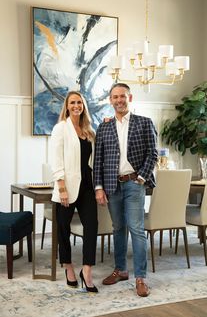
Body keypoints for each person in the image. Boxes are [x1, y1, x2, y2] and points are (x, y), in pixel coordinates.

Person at [94, 83, 158, 297]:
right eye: (115, 97)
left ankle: (140, 277)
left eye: (122, 96)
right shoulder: (104, 126)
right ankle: (120, 270)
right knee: (117, 228)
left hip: (134, 183)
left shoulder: (144, 123)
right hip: (112, 185)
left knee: (137, 230)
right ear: (110, 100)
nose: (119, 100)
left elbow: (153, 154)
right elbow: (99, 160)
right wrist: (99, 187)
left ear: (129, 98)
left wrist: (141, 177)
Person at [51, 91, 98, 292]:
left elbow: (93, 160)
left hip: (87, 184)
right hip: (67, 186)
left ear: (83, 105)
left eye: (79, 102)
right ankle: (68, 266)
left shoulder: (89, 130)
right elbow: (56, 159)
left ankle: (86, 270)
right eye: (73, 102)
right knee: (63, 228)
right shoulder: (61, 128)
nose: (76, 105)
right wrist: (61, 187)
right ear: (67, 106)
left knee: (92, 226)